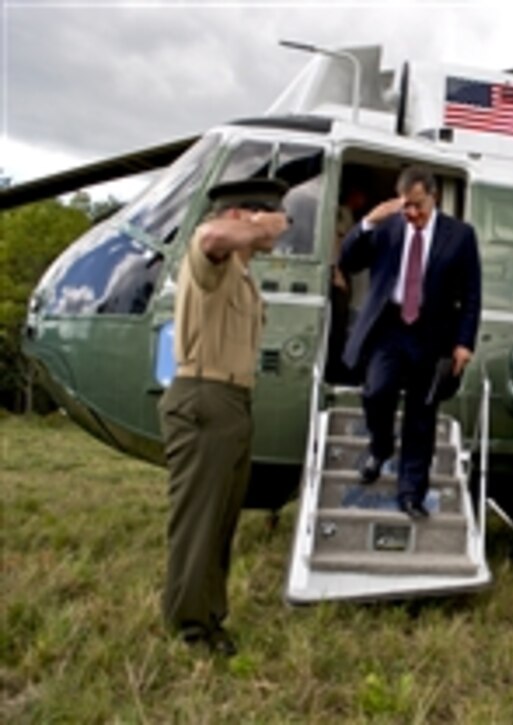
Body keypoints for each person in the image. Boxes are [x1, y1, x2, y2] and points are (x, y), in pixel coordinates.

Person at [157, 178, 289, 656]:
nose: (280, 227)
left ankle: (210, 618)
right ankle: (190, 630)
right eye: (269, 213)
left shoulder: (243, 274)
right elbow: (211, 238)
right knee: (198, 523)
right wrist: (259, 228)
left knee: (220, 522)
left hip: (231, 403)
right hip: (204, 396)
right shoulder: (210, 252)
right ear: (240, 215)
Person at [338, 166, 481, 519]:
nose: (412, 214)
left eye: (418, 205)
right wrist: (368, 223)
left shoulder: (460, 236)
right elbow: (348, 262)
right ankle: (380, 447)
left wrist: (464, 343)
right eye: (406, 206)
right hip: (390, 327)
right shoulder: (386, 226)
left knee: (422, 416)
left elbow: (472, 295)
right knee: (376, 392)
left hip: (434, 335)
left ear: (434, 197)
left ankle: (410, 494)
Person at [326, 169, 370, 384]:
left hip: (345, 275)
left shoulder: (350, 215)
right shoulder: (341, 213)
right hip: (339, 275)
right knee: (338, 325)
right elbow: (335, 241)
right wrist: (336, 272)